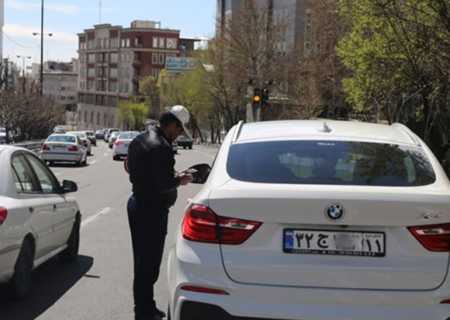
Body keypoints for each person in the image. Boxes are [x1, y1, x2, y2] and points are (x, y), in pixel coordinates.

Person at [127, 105, 193, 320]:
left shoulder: (142, 138)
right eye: (180, 130)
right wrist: (179, 180)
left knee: (144, 262)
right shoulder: (160, 146)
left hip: (140, 205)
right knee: (148, 264)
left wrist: (171, 174)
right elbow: (163, 184)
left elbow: (131, 166)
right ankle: (144, 312)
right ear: (173, 125)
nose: (179, 136)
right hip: (150, 210)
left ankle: (146, 305)